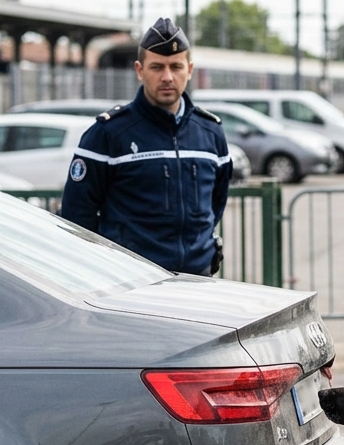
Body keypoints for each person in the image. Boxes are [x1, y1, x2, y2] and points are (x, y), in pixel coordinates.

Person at [60, 18, 232, 276]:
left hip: (198, 281)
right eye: (157, 67)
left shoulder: (211, 132)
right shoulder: (108, 133)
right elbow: (77, 215)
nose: (167, 77)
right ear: (139, 70)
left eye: (176, 66)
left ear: (189, 70)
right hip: (130, 281)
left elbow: (216, 203)